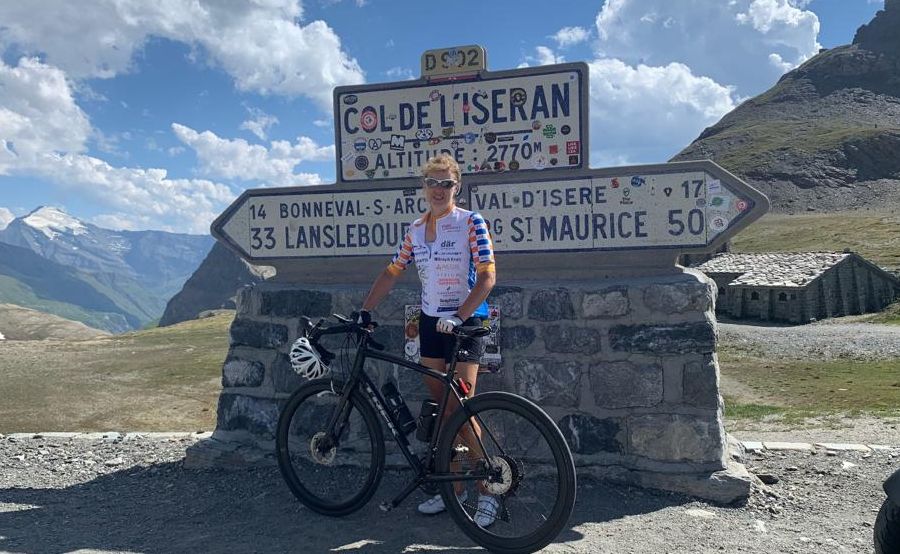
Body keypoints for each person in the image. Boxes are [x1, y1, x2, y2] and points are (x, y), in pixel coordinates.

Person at [356, 153, 498, 527]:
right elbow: (391, 272)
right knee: (441, 411)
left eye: (446, 183)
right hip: (432, 324)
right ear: (423, 187)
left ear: (457, 186)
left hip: (466, 324)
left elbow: (487, 277)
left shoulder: (471, 222)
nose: (438, 189)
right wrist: (364, 309)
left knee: (462, 406)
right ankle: (454, 490)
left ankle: (487, 491)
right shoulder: (415, 230)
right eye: (432, 183)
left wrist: (460, 315)